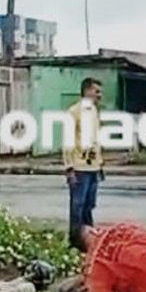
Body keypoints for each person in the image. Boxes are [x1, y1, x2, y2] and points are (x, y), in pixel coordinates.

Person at [63, 78, 104, 234]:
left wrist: (99, 164)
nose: (99, 95)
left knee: (89, 205)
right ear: (87, 91)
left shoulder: (93, 111)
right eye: (96, 91)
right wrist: (69, 168)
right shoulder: (74, 112)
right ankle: (75, 238)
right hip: (79, 167)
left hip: (93, 166)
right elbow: (68, 141)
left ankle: (88, 238)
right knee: (77, 205)